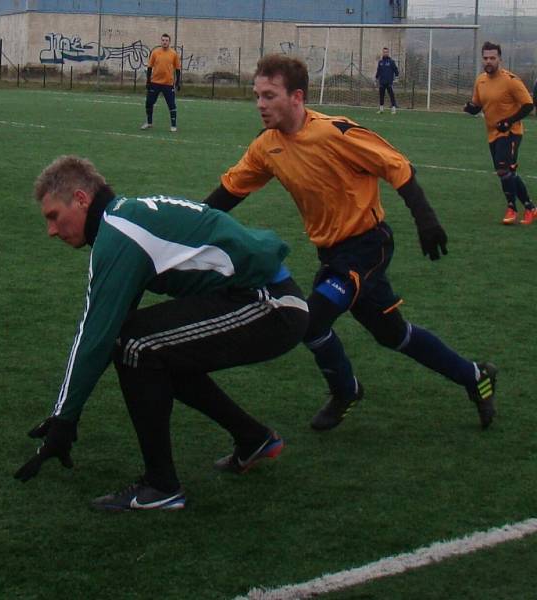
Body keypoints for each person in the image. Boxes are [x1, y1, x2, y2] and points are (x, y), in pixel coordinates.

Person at [204, 54, 497, 432]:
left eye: (269, 96)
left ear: (297, 97)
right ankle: (476, 376)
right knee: (393, 334)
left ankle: (346, 390)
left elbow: (397, 165)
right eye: (256, 95)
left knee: (310, 319)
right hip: (332, 253)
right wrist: (191, 223)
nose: (260, 104)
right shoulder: (267, 147)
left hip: (367, 246)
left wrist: (425, 218)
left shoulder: (334, 132)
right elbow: (230, 191)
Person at [14, 155, 309, 511]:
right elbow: (110, 325)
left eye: (53, 217)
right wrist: (66, 414)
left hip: (271, 305)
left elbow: (95, 335)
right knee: (149, 349)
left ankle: (161, 485)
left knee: (135, 346)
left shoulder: (119, 234)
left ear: (80, 199)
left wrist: (64, 418)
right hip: (259, 297)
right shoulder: (124, 217)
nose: (51, 230)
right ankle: (253, 438)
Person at [464, 41, 536, 225]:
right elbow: (478, 105)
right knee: (508, 172)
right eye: (486, 58)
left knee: (503, 170)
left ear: (500, 59)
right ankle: (530, 207)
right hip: (493, 133)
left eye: (492, 58)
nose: (488, 61)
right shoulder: (480, 80)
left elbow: (528, 105)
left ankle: (511, 208)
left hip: (511, 132)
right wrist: (470, 108)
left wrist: (509, 121)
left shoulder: (511, 81)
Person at [141, 33, 181, 132]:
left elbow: (177, 69)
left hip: (168, 84)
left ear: (169, 42)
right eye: (163, 40)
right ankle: (149, 123)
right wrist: (148, 81)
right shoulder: (155, 52)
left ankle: (173, 125)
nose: (164, 42)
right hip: (155, 83)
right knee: (149, 103)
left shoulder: (173, 53)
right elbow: (150, 67)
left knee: (171, 104)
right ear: (161, 41)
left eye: (166, 40)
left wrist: (178, 82)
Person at [375, 47, 399, 114]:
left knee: (391, 95)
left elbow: (396, 70)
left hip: (389, 82)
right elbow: (378, 71)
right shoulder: (380, 62)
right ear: (382, 53)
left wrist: (396, 77)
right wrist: (376, 78)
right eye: (384, 52)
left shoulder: (391, 62)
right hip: (382, 82)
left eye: (386, 52)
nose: (385, 53)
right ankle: (381, 109)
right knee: (381, 96)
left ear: (388, 53)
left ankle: (393, 108)